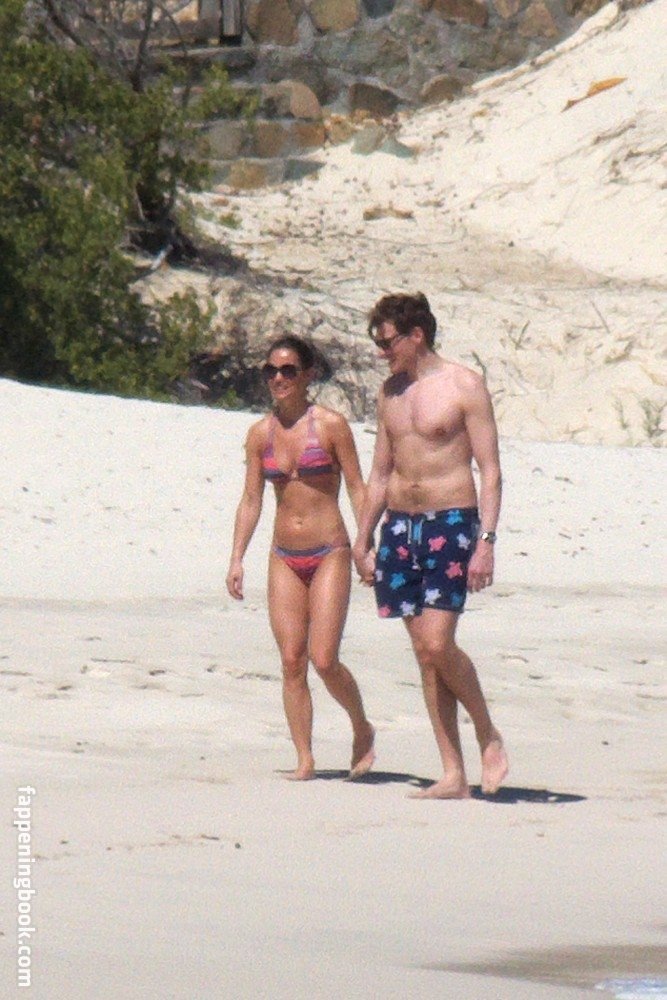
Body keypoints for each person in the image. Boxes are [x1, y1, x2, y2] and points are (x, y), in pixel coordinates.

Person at [352, 293, 508, 799]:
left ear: (416, 335)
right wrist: (363, 537)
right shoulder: (390, 392)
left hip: (451, 522)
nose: (381, 352)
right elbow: (380, 472)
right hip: (400, 527)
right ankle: (453, 774)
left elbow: (490, 471)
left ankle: (486, 731)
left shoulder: (465, 386)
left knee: (438, 643)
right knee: (424, 653)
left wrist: (486, 542)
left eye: (387, 342)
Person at [226, 335, 375, 781]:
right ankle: (305, 758)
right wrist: (236, 558)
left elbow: (358, 487)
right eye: (270, 370)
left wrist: (366, 545)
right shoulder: (260, 435)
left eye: (288, 370)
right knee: (292, 660)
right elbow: (251, 499)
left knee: (323, 658)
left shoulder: (330, 426)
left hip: (329, 550)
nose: (278, 378)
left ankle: (361, 726)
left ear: (308, 374)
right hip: (283, 555)